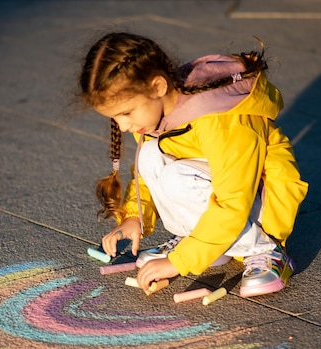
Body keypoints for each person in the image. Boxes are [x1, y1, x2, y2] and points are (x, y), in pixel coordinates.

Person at [78, 32, 308, 297]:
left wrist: (179, 262)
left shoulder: (219, 120)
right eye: (115, 118)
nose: (123, 126)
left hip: (259, 201)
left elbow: (233, 199)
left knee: (176, 176)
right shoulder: (154, 110)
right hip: (225, 196)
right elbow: (144, 175)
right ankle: (210, 245)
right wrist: (134, 217)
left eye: (126, 113)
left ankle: (265, 250)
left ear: (157, 87)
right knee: (150, 154)